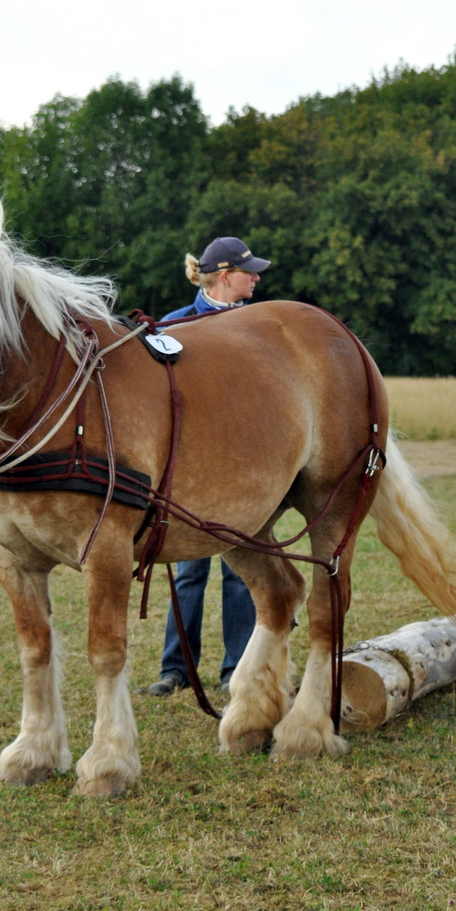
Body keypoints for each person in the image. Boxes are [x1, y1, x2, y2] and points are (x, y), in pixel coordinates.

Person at [148, 235, 271, 697]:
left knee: (242, 569)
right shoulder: (175, 326)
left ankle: (234, 670)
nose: (256, 277)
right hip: (191, 464)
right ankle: (176, 670)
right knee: (189, 570)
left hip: (246, 463)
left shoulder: (262, 327)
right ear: (224, 276)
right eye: (249, 271)